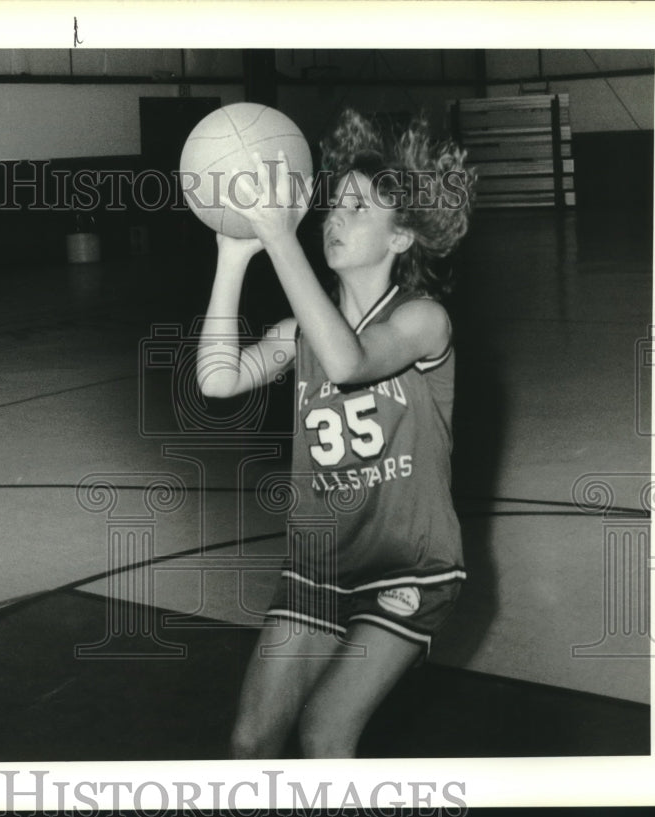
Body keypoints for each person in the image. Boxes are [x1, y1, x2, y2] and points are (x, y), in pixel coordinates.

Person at [196, 108, 476, 759]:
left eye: (358, 207)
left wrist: (277, 231)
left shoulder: (423, 321)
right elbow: (217, 379)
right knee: (249, 739)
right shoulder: (301, 336)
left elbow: (350, 361)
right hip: (319, 565)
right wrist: (234, 255)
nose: (336, 216)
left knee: (325, 730)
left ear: (402, 237)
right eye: (334, 204)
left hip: (411, 568)